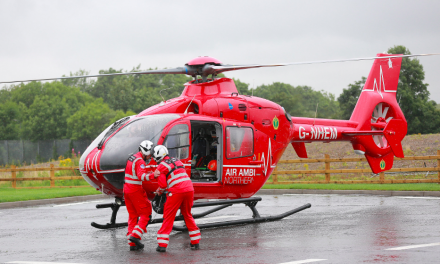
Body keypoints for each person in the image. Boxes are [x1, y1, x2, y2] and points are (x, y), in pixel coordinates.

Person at [152, 145, 201, 252]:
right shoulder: (177, 161)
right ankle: (195, 241)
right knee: (187, 214)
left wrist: (158, 193)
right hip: (189, 189)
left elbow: (163, 185)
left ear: (156, 156)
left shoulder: (160, 166)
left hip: (176, 192)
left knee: (168, 216)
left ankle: (162, 245)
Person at [124, 140, 155, 251]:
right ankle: (135, 236)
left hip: (126, 189)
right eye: (150, 153)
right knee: (146, 213)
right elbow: (142, 176)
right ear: (145, 151)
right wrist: (153, 175)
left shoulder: (132, 158)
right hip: (135, 190)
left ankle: (132, 244)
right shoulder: (140, 161)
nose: (151, 156)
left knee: (133, 216)